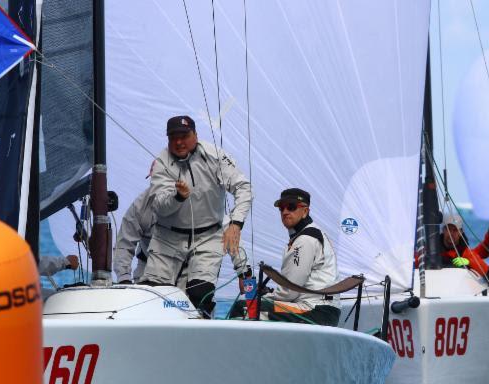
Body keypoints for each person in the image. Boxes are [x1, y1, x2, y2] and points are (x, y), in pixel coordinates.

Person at [141, 115, 253, 316]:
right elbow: (159, 206)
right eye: (173, 137)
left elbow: (244, 188)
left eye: (184, 135)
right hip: (167, 238)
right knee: (153, 298)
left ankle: (201, 330)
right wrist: (178, 197)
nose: (179, 141)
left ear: (195, 135)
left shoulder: (215, 156)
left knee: (199, 296)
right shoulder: (160, 162)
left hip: (207, 238)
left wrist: (236, 224)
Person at [230, 188, 340, 326]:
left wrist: (264, 295)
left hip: (314, 311)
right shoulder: (310, 235)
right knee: (253, 305)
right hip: (322, 309)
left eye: (291, 207)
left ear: (305, 211)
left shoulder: (305, 240)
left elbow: (290, 291)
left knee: (243, 307)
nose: (285, 212)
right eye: (281, 208)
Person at [114, 188, 250, 286]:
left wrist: (245, 274)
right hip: (149, 272)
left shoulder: (198, 201)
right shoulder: (141, 206)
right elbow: (125, 243)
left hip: (189, 275)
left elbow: (229, 232)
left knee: (198, 302)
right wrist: (123, 278)